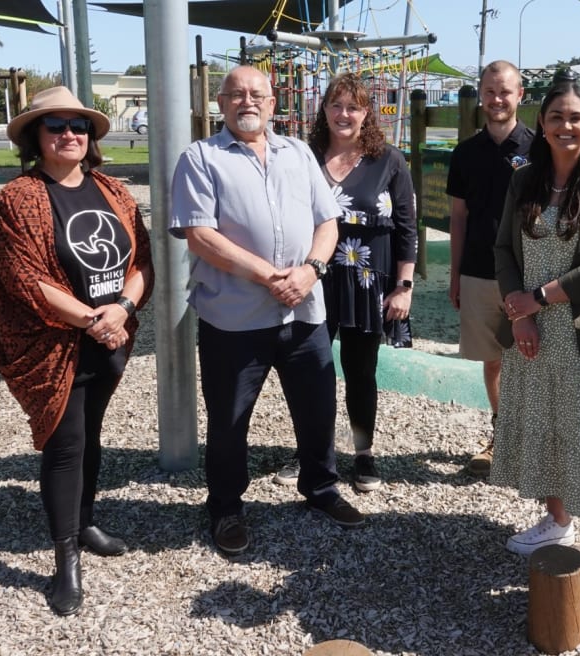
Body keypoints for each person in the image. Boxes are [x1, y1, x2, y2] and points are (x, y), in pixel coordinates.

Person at [169, 65, 366, 557]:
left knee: (318, 411)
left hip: (304, 312)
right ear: (221, 103)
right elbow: (200, 234)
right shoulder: (201, 158)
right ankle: (226, 508)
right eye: (236, 94)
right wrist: (269, 276)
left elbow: (328, 221)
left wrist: (311, 270)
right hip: (234, 319)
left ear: (274, 103)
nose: (247, 101)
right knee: (230, 420)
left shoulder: (298, 153)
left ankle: (321, 489)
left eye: (257, 93)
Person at [0, 85, 153, 616]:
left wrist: (121, 309)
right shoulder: (18, 199)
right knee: (64, 445)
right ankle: (65, 562)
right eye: (54, 125)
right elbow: (26, 280)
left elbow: (142, 260)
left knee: (90, 436)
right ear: (35, 136)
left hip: (110, 336)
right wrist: (91, 320)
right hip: (53, 344)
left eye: (77, 125)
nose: (69, 134)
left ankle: (84, 524)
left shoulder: (113, 191)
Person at [492, 80, 580, 622]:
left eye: (575, 117)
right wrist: (520, 310)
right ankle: (557, 520)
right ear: (542, 122)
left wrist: (536, 300)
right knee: (545, 426)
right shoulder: (524, 181)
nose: (565, 126)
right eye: (556, 116)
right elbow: (503, 246)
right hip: (531, 335)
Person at [290, 72, 416, 492]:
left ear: (367, 114)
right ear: (324, 110)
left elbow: (406, 227)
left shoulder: (389, 161)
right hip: (315, 278)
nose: (344, 114)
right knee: (311, 369)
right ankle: (312, 450)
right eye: (336, 105)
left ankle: (363, 454)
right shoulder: (302, 156)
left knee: (361, 371)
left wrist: (403, 286)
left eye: (354, 106)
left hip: (367, 280)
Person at [446, 60, 533, 477]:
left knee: (532, 358)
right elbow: (458, 218)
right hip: (479, 271)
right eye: (490, 91)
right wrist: (454, 275)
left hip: (529, 274)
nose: (498, 99)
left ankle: (531, 440)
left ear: (520, 95)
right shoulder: (465, 153)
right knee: (493, 360)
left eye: (506, 91)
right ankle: (502, 434)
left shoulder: (540, 149)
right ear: (480, 94)